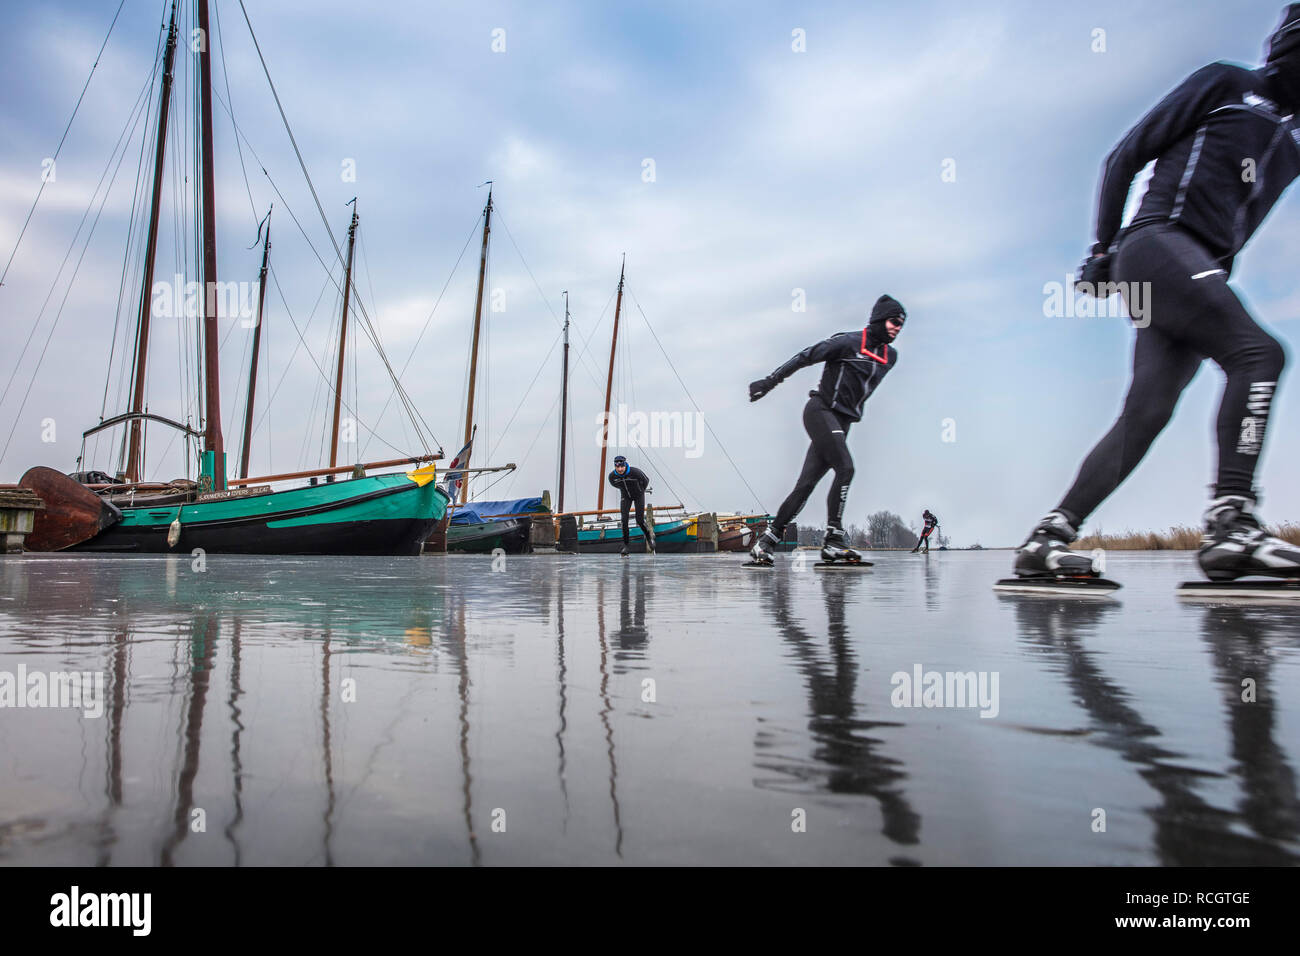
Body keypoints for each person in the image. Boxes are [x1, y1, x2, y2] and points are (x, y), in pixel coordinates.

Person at [1015, 5, 1300, 583]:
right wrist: (1102, 252)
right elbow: (1123, 156)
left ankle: (1047, 538)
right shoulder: (1228, 84)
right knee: (1259, 354)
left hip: (1198, 271)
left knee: (1146, 413)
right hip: (1155, 246)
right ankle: (1232, 522)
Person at [747, 295, 905, 564]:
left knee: (806, 485)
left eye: (902, 324)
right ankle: (833, 539)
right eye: (893, 321)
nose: (897, 328)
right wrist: (770, 381)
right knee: (846, 467)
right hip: (820, 411)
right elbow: (806, 356)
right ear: (879, 319)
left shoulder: (890, 357)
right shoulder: (847, 342)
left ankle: (766, 542)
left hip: (843, 421)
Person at [608, 455, 654, 555]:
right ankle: (626, 546)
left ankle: (649, 538)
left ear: (625, 465)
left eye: (622, 467)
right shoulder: (612, 476)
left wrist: (640, 490)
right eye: (617, 467)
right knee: (624, 520)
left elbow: (646, 480)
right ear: (615, 467)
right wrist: (623, 489)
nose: (620, 469)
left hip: (638, 495)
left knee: (640, 520)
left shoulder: (635, 472)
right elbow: (613, 483)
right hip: (626, 497)